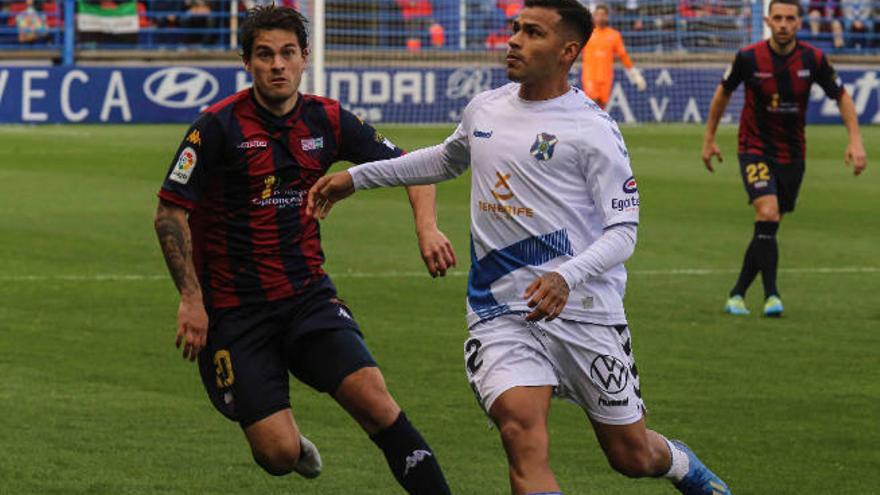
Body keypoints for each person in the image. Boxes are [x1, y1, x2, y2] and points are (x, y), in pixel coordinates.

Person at [308, 1, 732, 494]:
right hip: (500, 310)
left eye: (532, 32)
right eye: (515, 28)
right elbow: (446, 159)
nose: (514, 40)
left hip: (585, 312)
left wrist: (565, 276)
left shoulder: (592, 129)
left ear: (567, 51)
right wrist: (356, 179)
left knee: (632, 455)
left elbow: (624, 232)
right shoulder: (486, 108)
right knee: (520, 432)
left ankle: (685, 469)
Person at [153, 6, 455, 494]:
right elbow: (169, 214)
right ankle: (292, 448)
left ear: (304, 58)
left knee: (376, 402)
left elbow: (415, 168)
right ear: (247, 63)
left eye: (287, 54)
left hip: (307, 298)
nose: (277, 65)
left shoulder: (328, 118)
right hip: (234, 312)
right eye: (265, 55)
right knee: (277, 455)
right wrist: (191, 300)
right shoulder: (215, 128)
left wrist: (427, 228)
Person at [702, 0, 866, 317]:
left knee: (769, 225)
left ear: (799, 22)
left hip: (793, 154)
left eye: (789, 18)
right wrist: (709, 138)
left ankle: (737, 293)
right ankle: (772, 296)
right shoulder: (748, 58)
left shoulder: (813, 59)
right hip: (754, 148)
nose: (783, 24)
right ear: (768, 20)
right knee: (768, 210)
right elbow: (723, 93)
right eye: (777, 18)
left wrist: (855, 140)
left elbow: (842, 96)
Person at [580, 3, 646, 110]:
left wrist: (634, 74)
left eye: (603, 15)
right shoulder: (587, 33)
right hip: (590, 76)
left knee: (602, 107)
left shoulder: (614, 35)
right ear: (594, 16)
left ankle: (599, 127)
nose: (600, 17)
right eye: (598, 14)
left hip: (606, 76)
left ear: (607, 16)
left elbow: (623, 56)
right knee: (592, 104)